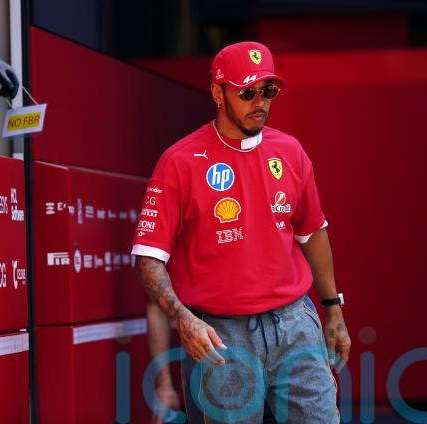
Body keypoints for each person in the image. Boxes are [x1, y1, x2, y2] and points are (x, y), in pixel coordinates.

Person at [133, 41, 351, 423]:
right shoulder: (179, 161)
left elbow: (312, 232)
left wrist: (334, 308)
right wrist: (184, 319)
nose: (260, 102)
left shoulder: (291, 151)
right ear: (218, 93)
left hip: (295, 324)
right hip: (220, 334)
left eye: (268, 91)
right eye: (247, 92)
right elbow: (148, 258)